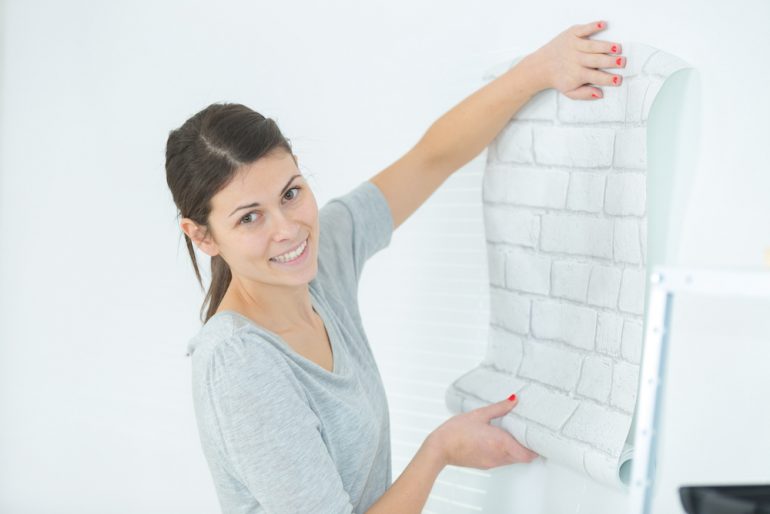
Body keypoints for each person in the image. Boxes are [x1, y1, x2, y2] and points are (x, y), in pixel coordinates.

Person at [165, 20, 625, 514]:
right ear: (203, 235)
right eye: (250, 217)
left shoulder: (321, 260)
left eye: (291, 193)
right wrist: (439, 451)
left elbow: (431, 159)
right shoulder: (240, 365)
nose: (288, 229)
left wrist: (539, 71)